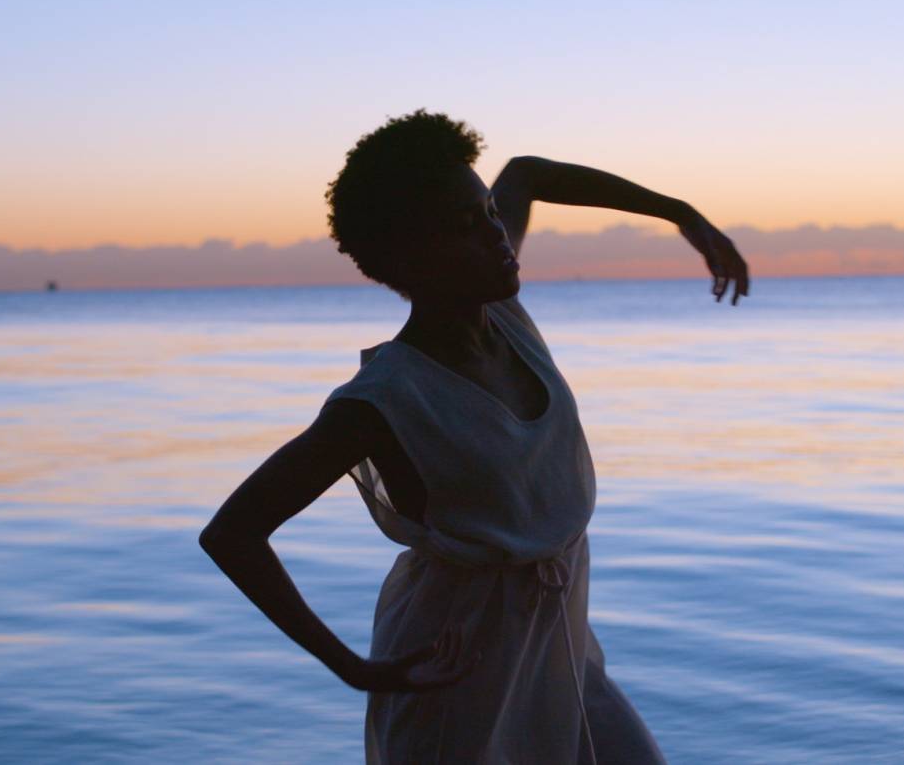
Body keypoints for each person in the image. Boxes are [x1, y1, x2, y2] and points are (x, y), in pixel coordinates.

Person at [199, 109, 748, 764]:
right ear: (412, 256)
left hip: (562, 650)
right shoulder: (384, 400)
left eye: (488, 212)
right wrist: (352, 667)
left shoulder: (506, 314)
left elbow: (525, 174)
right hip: (457, 675)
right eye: (465, 225)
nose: (496, 235)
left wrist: (681, 213)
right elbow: (232, 533)